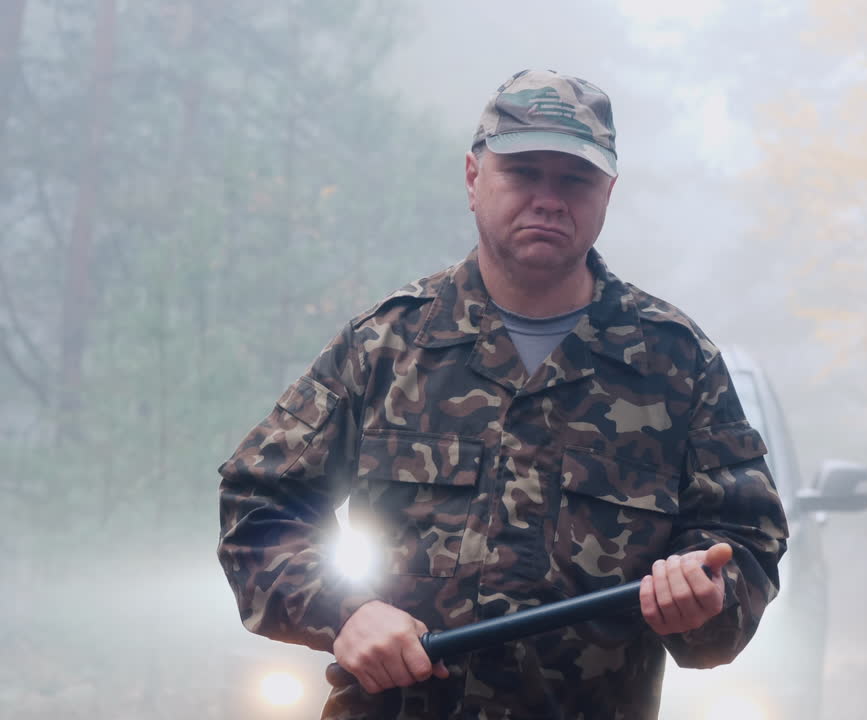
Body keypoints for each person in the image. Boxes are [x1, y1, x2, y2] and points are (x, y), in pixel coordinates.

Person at [217, 68, 789, 720]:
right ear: (473, 177)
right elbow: (257, 505)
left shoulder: (675, 363)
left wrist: (706, 598)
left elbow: (745, 543)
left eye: (574, 179)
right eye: (523, 173)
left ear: (608, 193)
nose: (549, 198)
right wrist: (346, 611)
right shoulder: (387, 347)